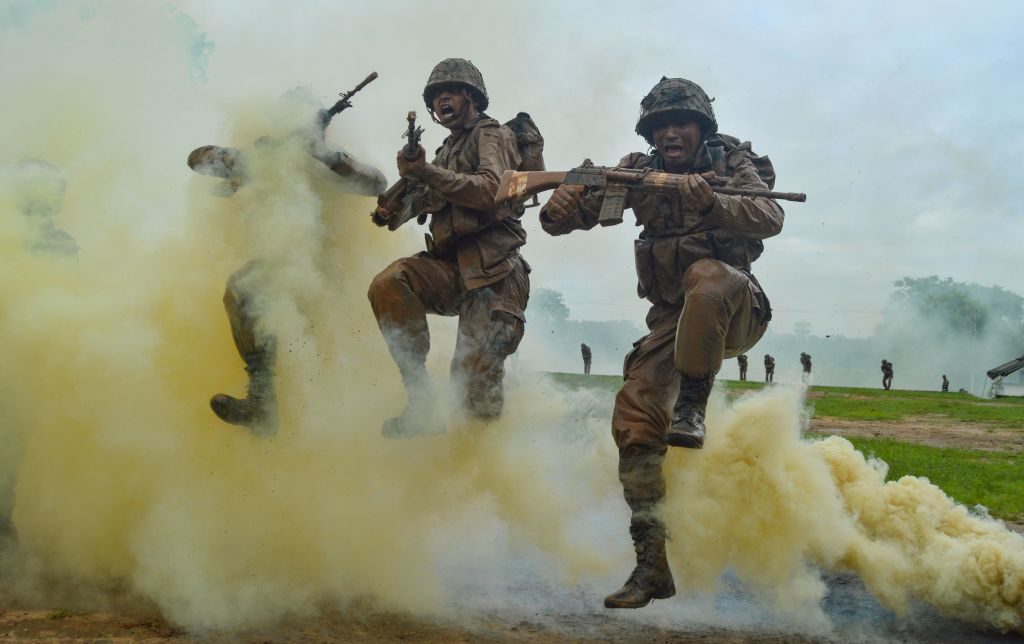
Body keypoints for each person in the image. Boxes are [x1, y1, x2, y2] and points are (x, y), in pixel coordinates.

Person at [541, 76, 783, 608]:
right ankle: (651, 566)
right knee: (634, 423)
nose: (671, 133)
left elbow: (770, 216)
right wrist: (561, 205)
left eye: (682, 123)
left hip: (735, 306)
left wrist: (714, 203)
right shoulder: (636, 169)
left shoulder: (730, 162)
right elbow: (572, 219)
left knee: (706, 275)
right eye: (661, 126)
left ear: (702, 128)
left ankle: (693, 406)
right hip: (671, 321)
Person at [187, 100, 387, 435]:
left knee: (245, 288)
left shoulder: (327, 163)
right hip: (280, 268)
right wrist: (247, 159)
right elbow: (197, 160)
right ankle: (261, 401)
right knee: (241, 290)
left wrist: (324, 155)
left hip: (326, 270)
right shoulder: (265, 162)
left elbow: (377, 183)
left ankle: (310, 408)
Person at [368, 58, 530, 438]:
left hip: (496, 274)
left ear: (471, 97)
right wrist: (393, 210)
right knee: (389, 284)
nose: (443, 100)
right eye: (437, 95)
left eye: (452, 92)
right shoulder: (446, 151)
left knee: (471, 392)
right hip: (452, 269)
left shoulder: (492, 135)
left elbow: (491, 190)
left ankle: (485, 463)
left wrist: (426, 171)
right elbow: (427, 199)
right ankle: (421, 406)